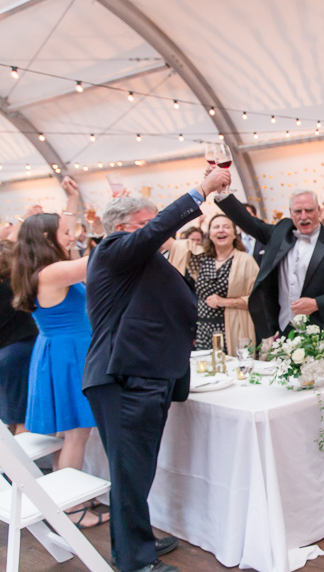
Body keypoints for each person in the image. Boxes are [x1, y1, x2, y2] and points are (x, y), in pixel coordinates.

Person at [84, 167, 231, 572]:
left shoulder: (139, 261)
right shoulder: (113, 249)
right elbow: (156, 231)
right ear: (124, 227)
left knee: (136, 469)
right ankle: (136, 562)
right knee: (130, 473)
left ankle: (136, 543)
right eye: (148, 223)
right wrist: (201, 190)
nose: (158, 230)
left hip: (143, 374)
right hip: (125, 377)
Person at [10, 178, 108, 529]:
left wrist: (72, 199)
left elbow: (77, 245)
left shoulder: (42, 270)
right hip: (69, 354)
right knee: (77, 433)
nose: (71, 236)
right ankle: (71, 511)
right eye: (64, 232)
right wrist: (108, 220)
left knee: (71, 432)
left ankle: (71, 498)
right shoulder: (53, 272)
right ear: (48, 239)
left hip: (59, 351)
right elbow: (101, 258)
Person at [215, 189, 324, 370]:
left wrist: (317, 303)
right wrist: (222, 194)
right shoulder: (279, 235)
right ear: (290, 213)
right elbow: (249, 222)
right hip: (286, 330)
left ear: (318, 210)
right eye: (298, 212)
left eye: (309, 210)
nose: (304, 216)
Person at [167, 214, 259, 356]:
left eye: (226, 227)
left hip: (232, 328)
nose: (221, 230)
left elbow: (258, 300)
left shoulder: (246, 261)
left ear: (235, 234)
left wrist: (225, 302)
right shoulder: (202, 259)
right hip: (204, 330)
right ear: (209, 235)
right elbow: (175, 245)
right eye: (216, 227)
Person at [0, 240, 37, 434]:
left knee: (10, 417)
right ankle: (25, 464)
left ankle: (10, 464)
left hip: (5, 353)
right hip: (19, 352)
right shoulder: (16, 287)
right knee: (23, 418)